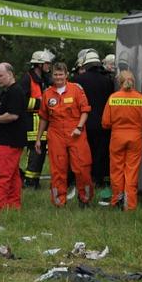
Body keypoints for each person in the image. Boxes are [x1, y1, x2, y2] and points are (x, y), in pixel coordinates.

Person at [35, 62, 94, 207]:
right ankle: (58, 202)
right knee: (58, 170)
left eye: (61, 74)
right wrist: (38, 139)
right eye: (55, 74)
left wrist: (79, 127)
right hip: (56, 134)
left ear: (66, 75)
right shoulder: (47, 93)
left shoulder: (76, 90)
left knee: (82, 168)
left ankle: (84, 199)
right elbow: (44, 117)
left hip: (76, 133)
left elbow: (85, 111)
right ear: (52, 75)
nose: (58, 77)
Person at [101, 70, 142, 210]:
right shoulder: (141, 99)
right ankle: (129, 205)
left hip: (117, 137)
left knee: (116, 170)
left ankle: (117, 201)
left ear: (119, 82)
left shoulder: (113, 98)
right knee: (131, 171)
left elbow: (105, 123)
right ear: (133, 82)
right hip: (135, 138)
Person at [0, 63, 27, 211]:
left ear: (10, 74)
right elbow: (6, 112)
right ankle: (14, 205)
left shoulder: (15, 91)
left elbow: (13, 115)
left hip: (10, 140)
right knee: (13, 174)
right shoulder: (7, 92)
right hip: (9, 139)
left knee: (1, 173)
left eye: (1, 76)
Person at [75, 49, 114, 190]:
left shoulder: (78, 80)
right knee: (101, 153)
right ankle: (100, 179)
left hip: (84, 123)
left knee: (86, 153)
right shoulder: (108, 81)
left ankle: (87, 178)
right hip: (104, 124)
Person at [20, 50, 54, 188]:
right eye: (47, 63)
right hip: (31, 123)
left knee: (40, 154)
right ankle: (29, 181)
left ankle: (35, 180)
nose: (49, 66)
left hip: (43, 122)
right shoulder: (27, 79)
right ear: (39, 64)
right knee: (34, 153)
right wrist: (41, 103)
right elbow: (21, 101)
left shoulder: (45, 79)